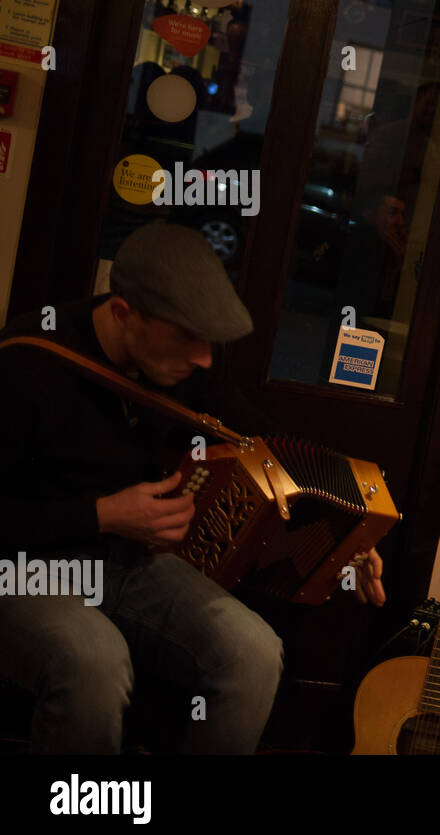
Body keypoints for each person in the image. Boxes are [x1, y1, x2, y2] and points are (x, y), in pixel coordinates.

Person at [0, 223, 385, 753]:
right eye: (185, 337)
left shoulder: (194, 364)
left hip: (127, 562)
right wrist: (101, 514)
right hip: (24, 566)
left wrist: (347, 537)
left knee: (253, 652)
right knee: (94, 662)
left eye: (210, 341)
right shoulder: (29, 360)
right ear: (123, 312)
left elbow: (261, 443)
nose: (203, 358)